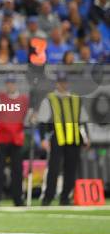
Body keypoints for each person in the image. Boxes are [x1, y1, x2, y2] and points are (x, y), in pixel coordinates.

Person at [38, 72, 89, 205]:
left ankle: (65, 197)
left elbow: (82, 121)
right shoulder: (50, 99)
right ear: (57, 83)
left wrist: (86, 137)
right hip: (57, 137)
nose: (63, 84)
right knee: (53, 169)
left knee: (71, 169)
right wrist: (43, 138)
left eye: (65, 82)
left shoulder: (76, 99)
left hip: (74, 138)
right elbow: (42, 121)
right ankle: (48, 197)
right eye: (61, 82)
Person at [0, 75, 30, 206]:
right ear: (6, 85)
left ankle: (18, 199)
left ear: (16, 84)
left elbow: (26, 120)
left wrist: (32, 118)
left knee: (18, 171)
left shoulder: (23, 100)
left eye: (13, 83)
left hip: (17, 139)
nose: (11, 85)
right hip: (1, 139)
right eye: (8, 83)